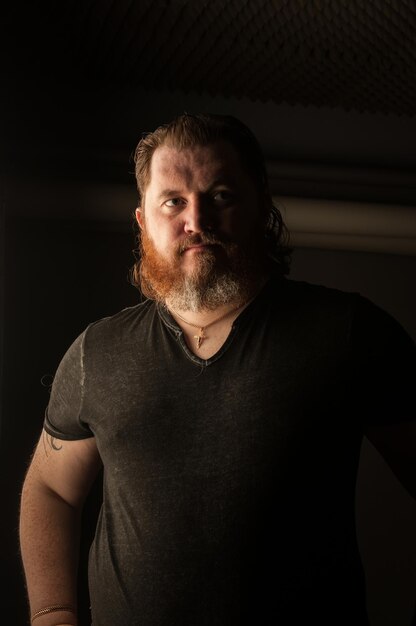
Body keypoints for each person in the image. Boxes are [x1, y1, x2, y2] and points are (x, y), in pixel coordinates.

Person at [19, 113, 416, 626]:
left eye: (222, 196)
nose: (198, 220)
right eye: (173, 202)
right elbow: (49, 488)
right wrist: (51, 613)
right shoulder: (97, 352)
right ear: (143, 219)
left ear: (260, 208)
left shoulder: (349, 334)